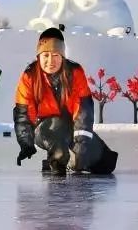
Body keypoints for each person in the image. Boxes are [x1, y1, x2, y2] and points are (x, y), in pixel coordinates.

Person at [13, 27, 118, 174]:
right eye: (46, 55)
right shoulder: (29, 77)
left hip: (71, 127)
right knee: (57, 135)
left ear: (62, 56)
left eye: (56, 55)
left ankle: (69, 162)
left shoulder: (75, 72)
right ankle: (56, 160)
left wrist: (82, 142)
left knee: (106, 164)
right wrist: (26, 143)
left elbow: (83, 109)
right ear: (39, 56)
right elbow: (23, 114)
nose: (51, 61)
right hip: (44, 129)